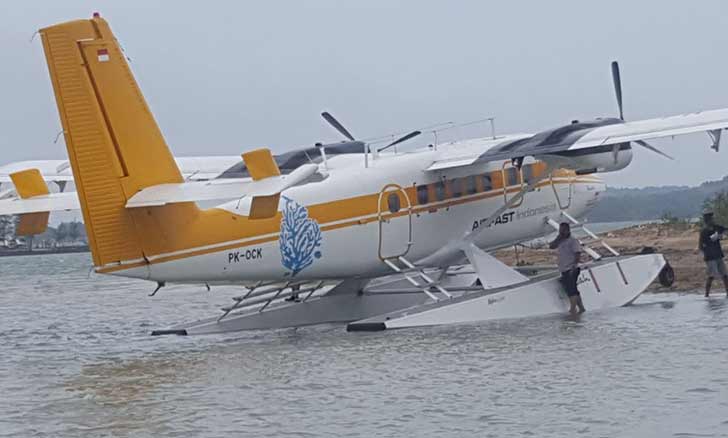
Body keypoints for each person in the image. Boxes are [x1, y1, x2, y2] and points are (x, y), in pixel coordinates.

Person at [549, 222, 586, 314]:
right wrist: (558, 238)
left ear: (568, 230)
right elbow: (551, 246)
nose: (562, 232)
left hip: (571, 268)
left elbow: (577, 253)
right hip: (564, 268)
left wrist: (574, 266)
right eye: (560, 230)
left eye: (563, 230)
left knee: (571, 290)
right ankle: (581, 307)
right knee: (573, 289)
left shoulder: (573, 241)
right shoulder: (560, 241)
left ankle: (573, 308)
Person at [698, 209, 728, 297]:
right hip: (710, 257)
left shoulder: (716, 227)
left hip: (718, 255)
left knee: (725, 275)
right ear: (706, 220)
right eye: (710, 218)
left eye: (712, 218)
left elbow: (725, 230)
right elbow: (701, 245)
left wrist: (722, 234)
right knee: (711, 276)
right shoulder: (704, 231)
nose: (712, 220)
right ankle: (706, 295)